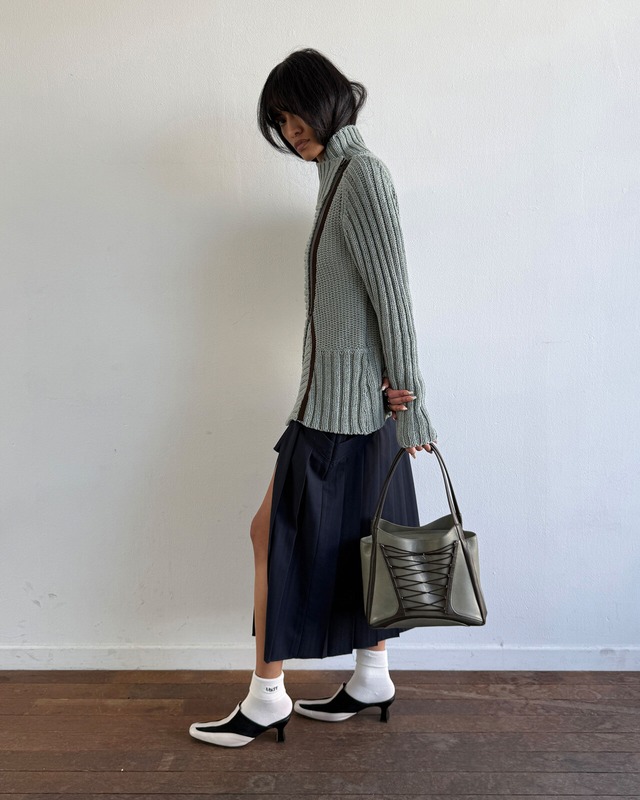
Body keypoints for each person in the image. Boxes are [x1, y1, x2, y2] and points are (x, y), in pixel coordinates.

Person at [189, 48, 437, 748]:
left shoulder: (362, 176)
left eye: (296, 112)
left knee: (274, 536)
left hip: (341, 413)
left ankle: (267, 697)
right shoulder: (337, 177)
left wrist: (414, 404)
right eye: (280, 121)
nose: (291, 129)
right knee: (364, 540)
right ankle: (371, 677)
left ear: (328, 100)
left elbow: (394, 300)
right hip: (345, 405)